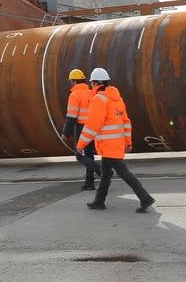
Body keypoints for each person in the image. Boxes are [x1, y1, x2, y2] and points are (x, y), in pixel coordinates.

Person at [78, 67, 156, 213]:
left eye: (92, 83)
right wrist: (128, 142)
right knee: (106, 173)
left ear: (96, 83)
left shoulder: (99, 99)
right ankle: (99, 201)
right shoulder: (118, 99)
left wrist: (80, 144)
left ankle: (145, 198)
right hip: (116, 143)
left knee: (124, 173)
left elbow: (92, 125)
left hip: (108, 144)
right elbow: (126, 122)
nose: (91, 86)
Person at [61, 68, 100, 190]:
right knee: (89, 154)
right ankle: (89, 183)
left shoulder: (74, 95)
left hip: (82, 128)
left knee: (79, 155)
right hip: (93, 127)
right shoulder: (90, 92)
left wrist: (65, 133)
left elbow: (71, 116)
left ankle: (100, 170)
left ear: (73, 81)